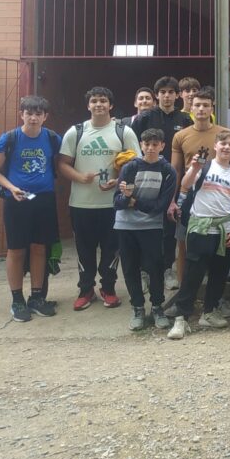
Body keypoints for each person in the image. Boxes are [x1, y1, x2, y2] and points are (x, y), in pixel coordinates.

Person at [58, 86, 140, 311]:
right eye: (94, 101)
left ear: (110, 105)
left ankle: (109, 289)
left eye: (103, 100)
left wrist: (118, 180)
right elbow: (62, 164)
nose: (99, 105)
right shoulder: (76, 132)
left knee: (112, 249)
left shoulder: (123, 132)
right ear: (88, 105)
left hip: (113, 204)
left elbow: (136, 164)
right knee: (84, 250)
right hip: (81, 203)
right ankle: (85, 290)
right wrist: (80, 177)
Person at [0, 95, 62, 322]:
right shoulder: (9, 138)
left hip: (44, 199)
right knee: (16, 249)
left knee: (39, 248)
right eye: (29, 113)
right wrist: (12, 188)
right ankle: (17, 300)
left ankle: (37, 297)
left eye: (38, 114)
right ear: (22, 114)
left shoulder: (52, 138)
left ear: (45, 116)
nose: (33, 118)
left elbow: (63, 162)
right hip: (17, 200)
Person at [168, 130, 230, 339]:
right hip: (201, 228)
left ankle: (209, 312)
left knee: (219, 273)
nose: (226, 147)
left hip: (225, 230)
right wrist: (194, 168)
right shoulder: (204, 167)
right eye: (223, 143)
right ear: (215, 146)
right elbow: (185, 185)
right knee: (193, 274)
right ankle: (181, 318)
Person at [131, 75, 192, 289]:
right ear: (157, 95)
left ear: (177, 95)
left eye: (171, 92)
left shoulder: (185, 119)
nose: (167, 96)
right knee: (145, 226)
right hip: (146, 177)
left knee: (169, 227)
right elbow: (133, 147)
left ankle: (167, 270)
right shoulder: (144, 118)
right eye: (163, 92)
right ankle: (145, 272)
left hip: (173, 178)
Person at [114, 128, 177, 331]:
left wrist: (134, 201)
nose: (150, 148)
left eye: (155, 144)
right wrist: (126, 198)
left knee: (155, 267)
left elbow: (160, 206)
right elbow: (117, 202)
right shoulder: (129, 167)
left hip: (152, 226)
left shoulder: (168, 171)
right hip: (126, 225)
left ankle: (157, 307)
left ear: (162, 146)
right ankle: (137, 308)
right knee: (130, 267)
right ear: (141, 145)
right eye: (147, 144)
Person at [169, 89, 230, 289]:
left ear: (212, 107)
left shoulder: (224, 134)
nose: (201, 109)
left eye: (206, 105)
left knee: (216, 246)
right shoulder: (180, 136)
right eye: (197, 105)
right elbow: (176, 170)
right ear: (191, 108)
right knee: (183, 243)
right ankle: (183, 291)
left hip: (217, 196)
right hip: (188, 195)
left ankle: (214, 297)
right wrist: (172, 200)